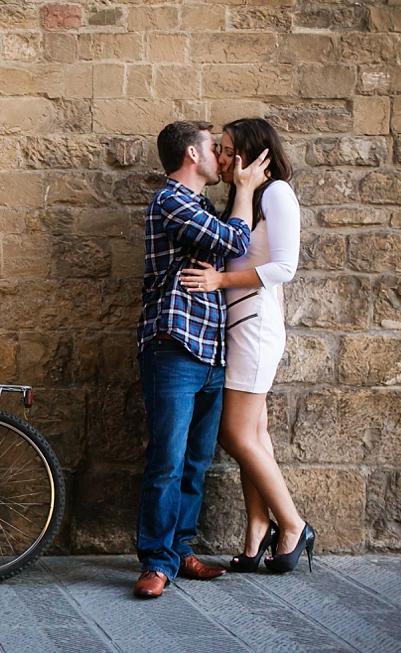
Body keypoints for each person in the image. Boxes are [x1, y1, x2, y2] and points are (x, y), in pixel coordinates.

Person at [134, 120, 269, 599]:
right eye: (215, 149)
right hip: (174, 349)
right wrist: (247, 188)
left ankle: (180, 550)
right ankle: (156, 562)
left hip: (212, 353)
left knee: (195, 461)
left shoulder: (200, 206)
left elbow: (225, 251)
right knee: (167, 461)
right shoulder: (171, 200)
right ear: (192, 154)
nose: (223, 158)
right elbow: (235, 242)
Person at [179, 118, 314, 574]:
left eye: (228, 149)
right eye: (219, 149)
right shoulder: (247, 201)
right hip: (239, 325)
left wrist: (220, 279)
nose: (219, 157)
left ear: (253, 154)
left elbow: (284, 268)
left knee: (235, 435)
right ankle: (257, 535)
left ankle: (293, 525)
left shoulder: (277, 193)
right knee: (256, 438)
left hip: (255, 328)